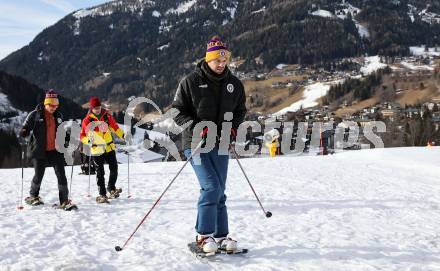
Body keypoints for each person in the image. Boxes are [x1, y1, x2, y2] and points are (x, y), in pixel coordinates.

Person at [172, 35, 247, 253]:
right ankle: (203, 235)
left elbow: (241, 110)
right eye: (217, 60)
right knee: (211, 187)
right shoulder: (190, 81)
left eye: (224, 60)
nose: (221, 64)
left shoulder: (234, 84)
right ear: (208, 59)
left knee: (220, 190)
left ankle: (221, 236)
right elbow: (176, 111)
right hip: (196, 144)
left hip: (222, 142)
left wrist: (233, 127)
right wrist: (198, 126)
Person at [19, 90, 77, 210]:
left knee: (61, 174)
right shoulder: (35, 114)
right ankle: (33, 196)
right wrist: (24, 131)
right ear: (46, 103)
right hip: (39, 150)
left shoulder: (59, 116)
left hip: (55, 150)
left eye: (56, 105)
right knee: (39, 174)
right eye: (51, 105)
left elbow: (62, 131)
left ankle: (64, 200)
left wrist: (68, 140)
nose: (53, 108)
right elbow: (25, 127)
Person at [80, 97, 125, 203]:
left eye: (99, 107)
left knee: (114, 168)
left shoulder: (107, 116)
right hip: (97, 149)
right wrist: (89, 141)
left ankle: (111, 188)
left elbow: (115, 127)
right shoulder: (87, 120)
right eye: (95, 108)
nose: (98, 109)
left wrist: (123, 135)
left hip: (109, 147)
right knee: (100, 172)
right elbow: (82, 136)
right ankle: (102, 194)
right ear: (91, 108)